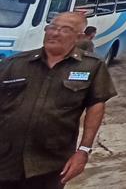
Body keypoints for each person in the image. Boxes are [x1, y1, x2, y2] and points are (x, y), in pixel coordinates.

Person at [0, 12, 117, 188]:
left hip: (50, 162)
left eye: (64, 30)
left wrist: (83, 151)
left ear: (78, 37)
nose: (54, 33)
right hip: (5, 158)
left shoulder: (91, 66)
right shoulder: (15, 63)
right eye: (52, 27)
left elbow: (96, 105)